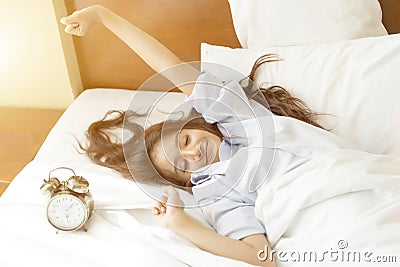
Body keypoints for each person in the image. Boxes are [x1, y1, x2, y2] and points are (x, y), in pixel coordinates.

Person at [61, 5, 352, 266]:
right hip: (326, 216)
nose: (193, 153)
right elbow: (260, 257)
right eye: (183, 165)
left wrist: (103, 16)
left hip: (350, 174)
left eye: (185, 141)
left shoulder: (241, 120)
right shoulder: (216, 191)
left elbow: (171, 69)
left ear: (198, 124)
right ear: (189, 181)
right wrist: (180, 224)